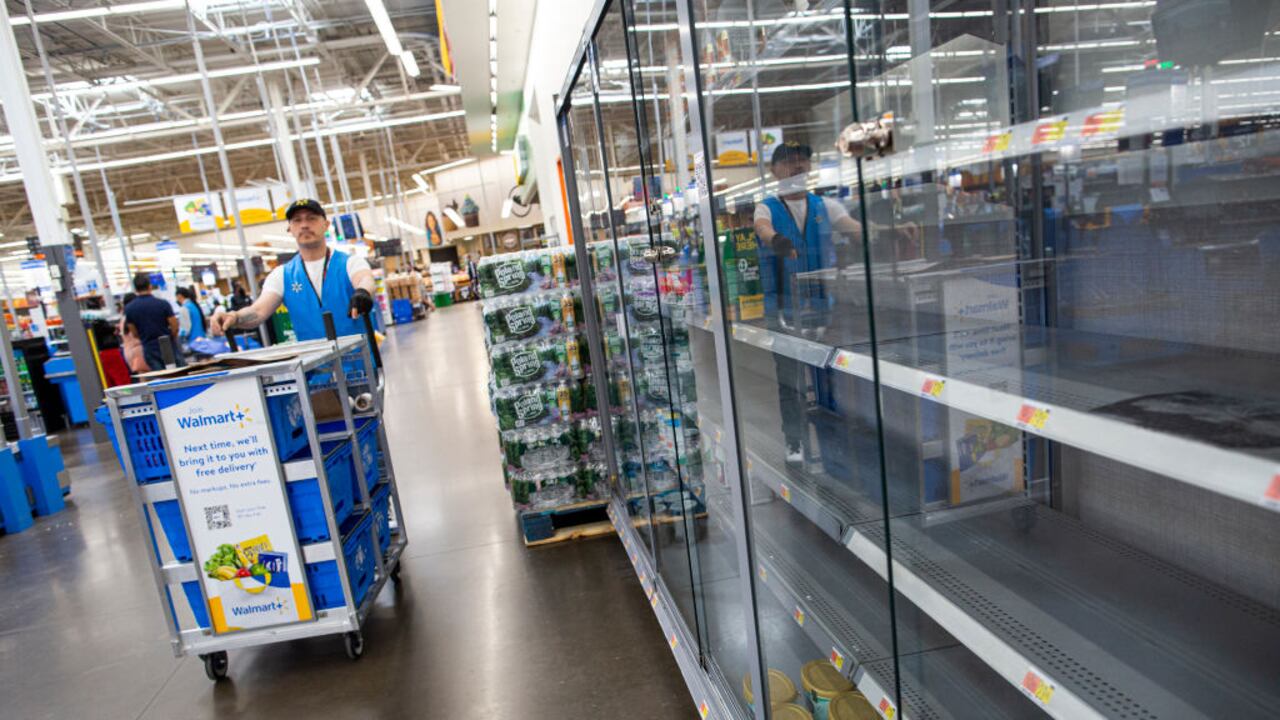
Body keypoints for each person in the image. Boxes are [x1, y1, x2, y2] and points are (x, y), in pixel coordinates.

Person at [754, 141, 863, 464]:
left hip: (823, 310)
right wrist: (776, 239)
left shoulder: (825, 206)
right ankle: (795, 441)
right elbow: (762, 229)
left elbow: (855, 229)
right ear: (775, 171)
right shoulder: (767, 208)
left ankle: (835, 444)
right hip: (783, 311)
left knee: (831, 378)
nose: (797, 166)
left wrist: (884, 232)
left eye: (803, 160)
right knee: (790, 381)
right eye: (788, 161)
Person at [210, 199, 375, 341]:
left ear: (326, 224)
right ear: (290, 229)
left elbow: (364, 279)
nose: (304, 225)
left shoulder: (349, 263)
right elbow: (258, 311)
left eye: (311, 218)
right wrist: (235, 316)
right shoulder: (282, 275)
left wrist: (362, 292)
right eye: (297, 220)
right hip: (315, 371)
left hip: (361, 365)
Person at [124, 273, 180, 371]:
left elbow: (134, 333)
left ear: (135, 289)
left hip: (149, 347)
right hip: (168, 345)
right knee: (177, 374)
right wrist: (171, 337)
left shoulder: (129, 309)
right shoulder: (163, 304)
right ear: (150, 286)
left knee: (161, 379)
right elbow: (174, 326)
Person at [117, 292, 149, 374]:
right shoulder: (131, 316)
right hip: (138, 350)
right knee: (147, 377)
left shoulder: (123, 318)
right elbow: (137, 334)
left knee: (141, 376)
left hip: (128, 352)